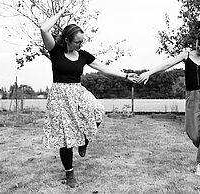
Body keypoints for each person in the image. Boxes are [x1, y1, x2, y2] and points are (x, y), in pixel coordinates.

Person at [40, 6, 138, 188]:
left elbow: (103, 67)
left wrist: (125, 75)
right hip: (60, 97)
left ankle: (84, 141)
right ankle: (69, 173)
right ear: (68, 40)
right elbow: (44, 29)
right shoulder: (55, 51)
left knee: (98, 110)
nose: (81, 45)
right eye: (78, 42)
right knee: (65, 137)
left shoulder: (83, 55)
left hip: (77, 92)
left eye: (83, 41)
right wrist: (61, 12)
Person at [138, 20, 200, 176]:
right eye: (199, 44)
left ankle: (199, 164)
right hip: (192, 98)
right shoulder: (186, 55)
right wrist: (149, 73)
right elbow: (166, 65)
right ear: (196, 42)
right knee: (192, 134)